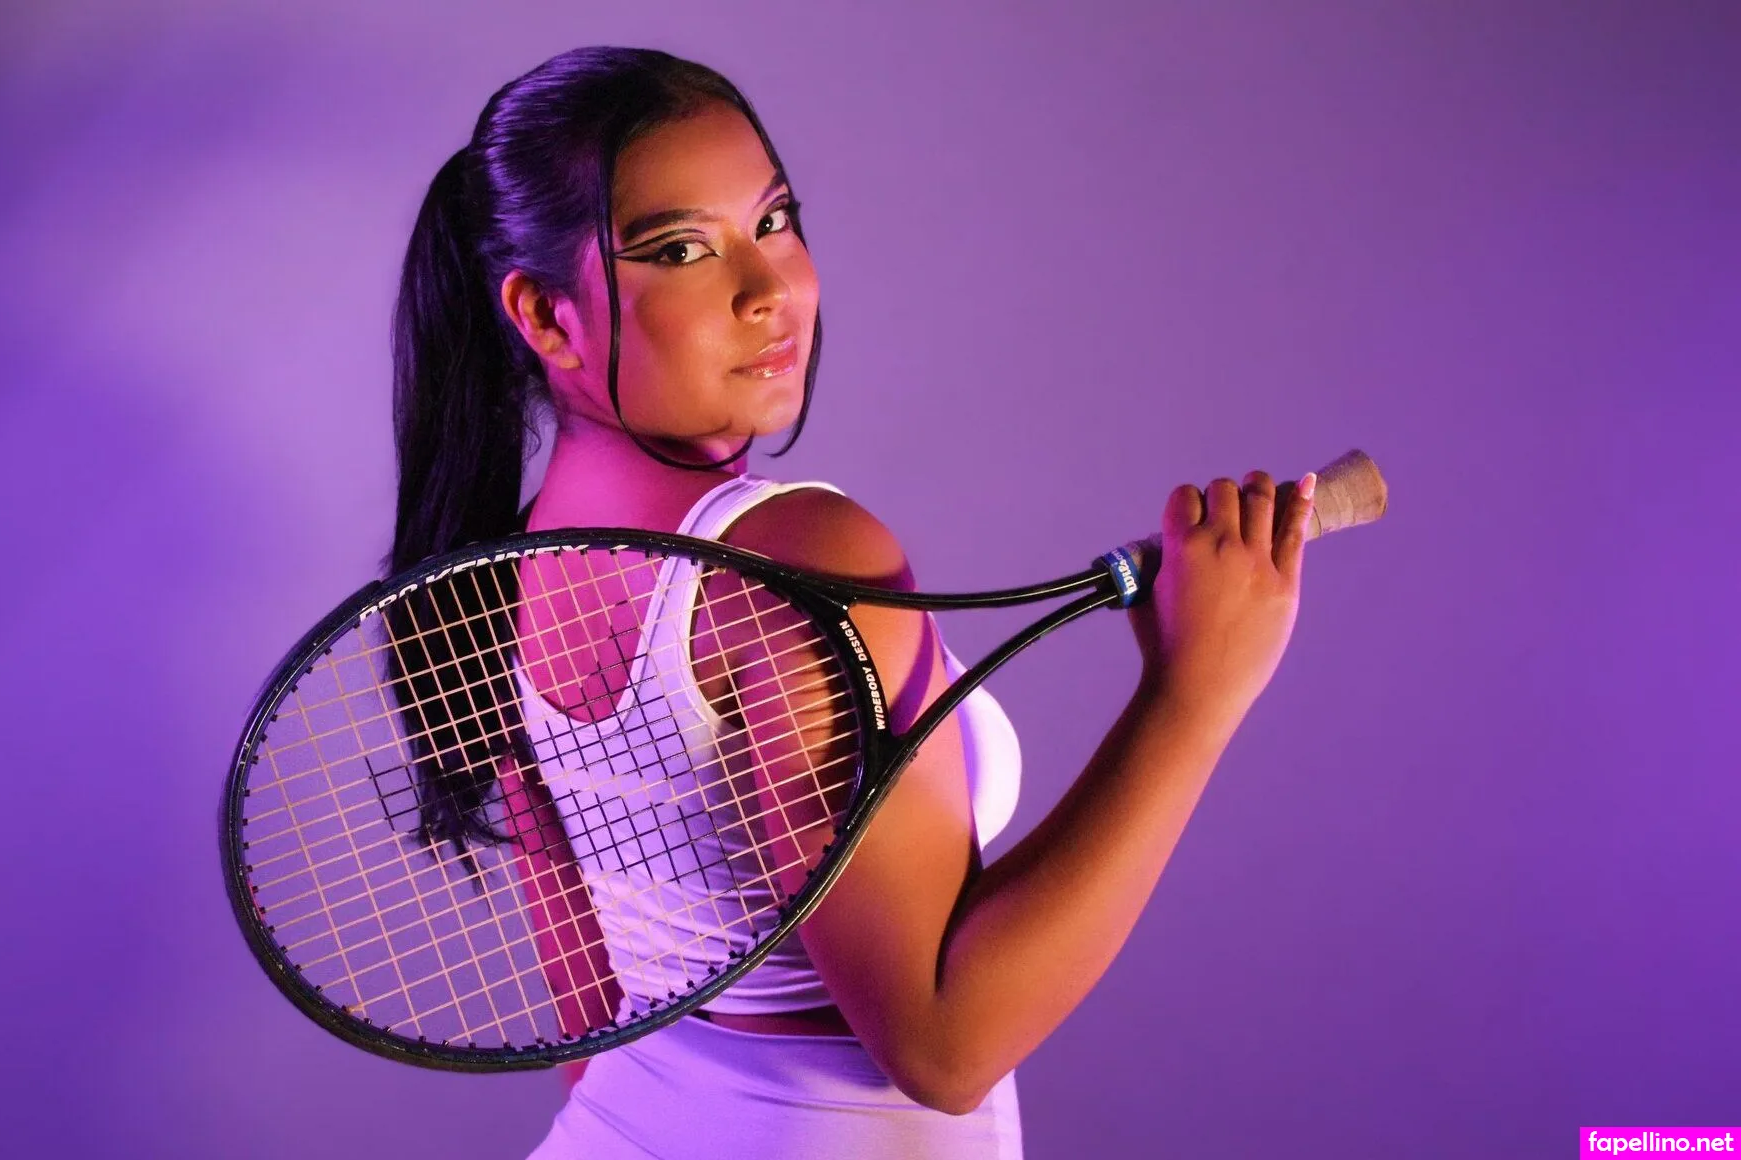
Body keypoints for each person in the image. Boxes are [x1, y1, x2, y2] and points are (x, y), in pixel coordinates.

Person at [386, 45, 1316, 1160]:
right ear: (546, 316)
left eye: (774, 220)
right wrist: (1193, 694)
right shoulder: (801, 558)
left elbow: (595, 1024)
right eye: (681, 248)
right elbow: (947, 1045)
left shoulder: (509, 564)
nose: (768, 288)